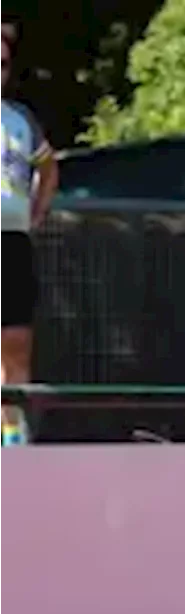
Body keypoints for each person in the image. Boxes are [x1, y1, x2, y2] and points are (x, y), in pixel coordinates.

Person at [0, 32, 58, 445]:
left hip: (12, 243)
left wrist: (36, 212)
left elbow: (48, 166)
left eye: (2, 65)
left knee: (16, 343)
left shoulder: (20, 119)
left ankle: (12, 436)